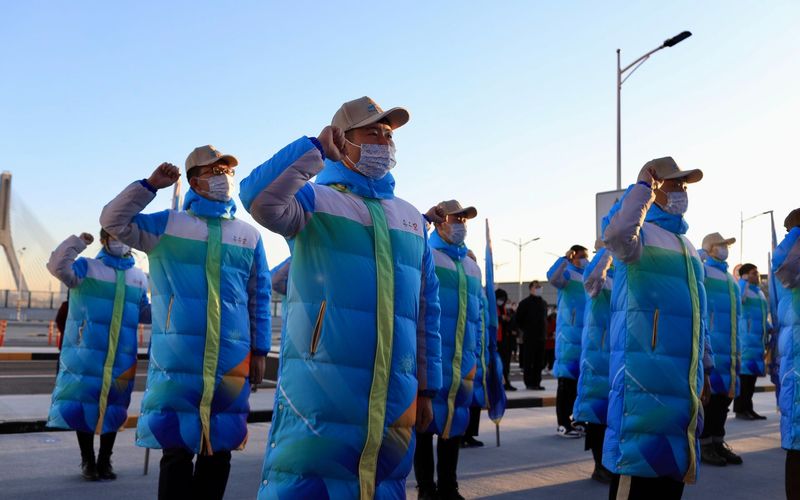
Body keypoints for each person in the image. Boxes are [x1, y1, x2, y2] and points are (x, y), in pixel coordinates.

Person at [237, 96, 442, 499]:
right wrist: (313, 150)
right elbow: (257, 198)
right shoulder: (314, 202)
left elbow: (425, 315)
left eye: (388, 135)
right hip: (322, 387)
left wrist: (427, 389)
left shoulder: (411, 219)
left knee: (383, 484)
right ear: (342, 141)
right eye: (372, 133)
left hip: (395, 391)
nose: (383, 142)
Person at [100, 145, 271, 500]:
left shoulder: (248, 234)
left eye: (227, 171)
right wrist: (149, 186)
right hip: (178, 358)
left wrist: (259, 349)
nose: (223, 178)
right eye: (214, 171)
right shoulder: (168, 224)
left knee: (220, 448)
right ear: (195, 181)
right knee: (176, 450)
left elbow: (260, 295)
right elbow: (112, 220)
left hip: (231, 358)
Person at [602, 157, 712, 499]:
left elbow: (699, 314)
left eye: (684, 185)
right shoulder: (638, 237)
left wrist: (705, 367)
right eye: (674, 183)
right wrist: (639, 191)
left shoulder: (688, 247)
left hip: (682, 381)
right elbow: (616, 233)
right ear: (654, 187)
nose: (682, 191)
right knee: (637, 475)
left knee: (671, 478)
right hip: (642, 382)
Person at [46, 229, 150, 481]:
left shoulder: (138, 277)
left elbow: (144, 313)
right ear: (104, 239)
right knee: (83, 405)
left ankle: (105, 460)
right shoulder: (87, 268)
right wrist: (77, 243)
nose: (120, 241)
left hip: (122, 356)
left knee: (114, 407)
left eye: (124, 236)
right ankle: (88, 461)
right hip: (86, 354)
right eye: (114, 236)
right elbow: (57, 266)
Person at [414, 200, 481, 500]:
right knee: (424, 427)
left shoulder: (471, 266)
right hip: (432, 356)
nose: (462, 225)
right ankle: (427, 488)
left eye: (465, 220)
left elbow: (479, 315)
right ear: (441, 222)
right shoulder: (425, 254)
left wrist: (479, 352)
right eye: (457, 218)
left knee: (454, 426)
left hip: (462, 360)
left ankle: (449, 487)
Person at [699, 232, 744, 466]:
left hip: (730, 348)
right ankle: (705, 444)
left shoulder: (729, 278)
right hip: (712, 346)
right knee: (710, 400)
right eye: (721, 245)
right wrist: (702, 254)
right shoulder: (703, 269)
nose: (725, 249)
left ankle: (718, 441)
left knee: (723, 402)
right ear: (709, 249)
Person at [573, 241, 614, 483]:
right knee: (599, 415)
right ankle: (600, 465)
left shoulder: (626, 275)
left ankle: (611, 462)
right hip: (600, 357)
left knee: (615, 416)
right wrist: (609, 247)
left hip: (623, 357)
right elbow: (593, 275)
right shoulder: (599, 280)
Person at [547, 244, 589, 438]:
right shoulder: (566, 274)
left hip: (585, 338)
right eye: (581, 256)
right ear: (573, 257)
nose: (585, 259)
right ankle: (563, 423)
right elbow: (552, 276)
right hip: (568, 339)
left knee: (581, 384)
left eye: (587, 256)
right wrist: (564, 259)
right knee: (566, 384)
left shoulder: (588, 276)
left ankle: (577, 419)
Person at [772, 208, 800, 499]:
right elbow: (783, 264)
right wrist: (797, 232)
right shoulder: (791, 263)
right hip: (798, 369)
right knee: (798, 447)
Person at [734, 263, 770, 420]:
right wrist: (743, 281)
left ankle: (749, 408)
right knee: (744, 380)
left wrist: (769, 328)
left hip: (757, 342)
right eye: (753, 273)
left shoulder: (760, 293)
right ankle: (741, 410)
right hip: (747, 342)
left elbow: (762, 317)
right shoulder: (744, 290)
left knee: (751, 381)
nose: (757, 275)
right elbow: (738, 300)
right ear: (746, 275)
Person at [515, 280, 548, 390]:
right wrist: (526, 329)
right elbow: (518, 319)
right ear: (531, 289)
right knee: (529, 361)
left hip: (541, 337)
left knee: (539, 361)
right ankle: (529, 382)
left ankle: (537, 382)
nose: (539, 288)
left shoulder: (543, 303)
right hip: (530, 337)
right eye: (536, 286)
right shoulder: (525, 303)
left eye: (540, 286)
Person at [496, 288, 517, 391]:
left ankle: (506, 382)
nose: (502, 301)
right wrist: (501, 319)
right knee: (499, 364)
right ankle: (499, 383)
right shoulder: (492, 308)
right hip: (496, 340)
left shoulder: (504, 309)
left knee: (505, 363)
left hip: (505, 340)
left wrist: (508, 320)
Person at [545, 310, 556, 374]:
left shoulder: (546, 322)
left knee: (547, 355)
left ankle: (547, 366)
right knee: (551, 356)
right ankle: (550, 367)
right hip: (551, 342)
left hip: (547, 342)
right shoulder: (553, 323)